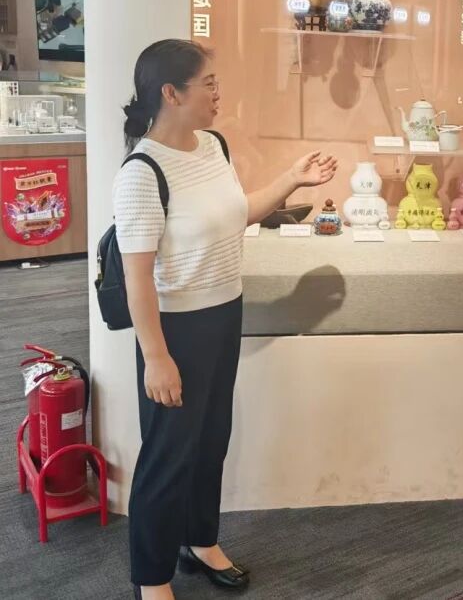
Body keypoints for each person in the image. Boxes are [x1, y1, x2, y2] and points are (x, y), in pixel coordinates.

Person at [113, 39, 338, 600]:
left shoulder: (213, 145)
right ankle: (152, 578)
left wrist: (291, 179)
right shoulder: (141, 172)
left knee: (211, 440)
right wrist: (157, 358)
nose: (218, 94)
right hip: (174, 330)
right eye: (209, 84)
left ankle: (200, 540)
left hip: (223, 313)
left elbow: (236, 215)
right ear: (171, 93)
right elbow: (138, 278)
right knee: (168, 456)